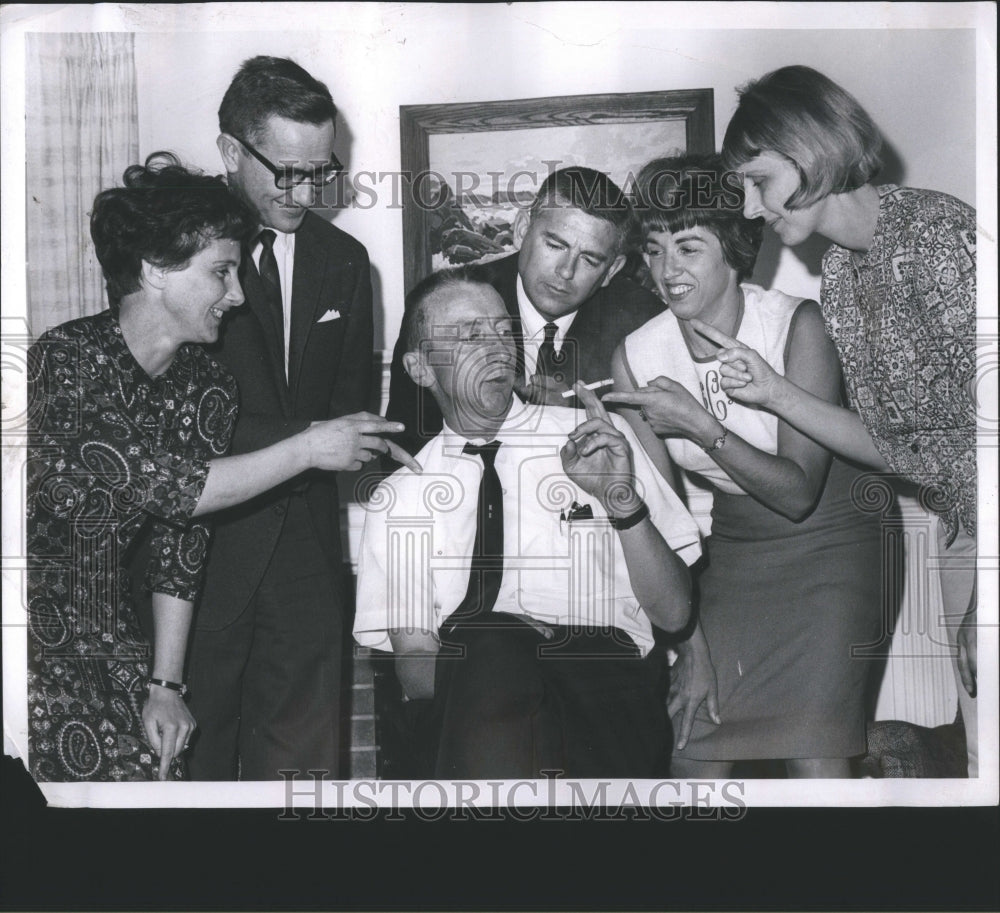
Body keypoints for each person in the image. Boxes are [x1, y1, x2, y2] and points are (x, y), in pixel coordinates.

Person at [27, 154, 407, 782]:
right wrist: (309, 446)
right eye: (222, 272)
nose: (236, 295)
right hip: (30, 627)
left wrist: (167, 683)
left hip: (113, 631)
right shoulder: (64, 362)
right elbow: (171, 487)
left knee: (161, 769)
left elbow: (182, 545)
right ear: (155, 270)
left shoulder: (205, 384)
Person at [718, 65, 979, 777]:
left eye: (757, 180)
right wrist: (776, 394)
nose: (747, 210)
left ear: (809, 148)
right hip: (964, 527)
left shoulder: (935, 234)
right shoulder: (841, 272)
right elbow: (888, 445)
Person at [354, 267, 702, 779]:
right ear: (420, 368)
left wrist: (620, 499)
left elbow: (674, 614)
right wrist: (506, 643)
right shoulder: (400, 497)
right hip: (474, 695)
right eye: (471, 335)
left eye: (502, 330)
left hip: (602, 693)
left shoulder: (594, 438)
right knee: (489, 643)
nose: (497, 348)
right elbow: (415, 668)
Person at [603, 154, 883, 778]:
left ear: (733, 249)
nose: (667, 271)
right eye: (653, 250)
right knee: (691, 752)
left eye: (688, 247)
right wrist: (690, 644)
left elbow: (797, 492)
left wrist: (704, 427)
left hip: (833, 544)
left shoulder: (795, 325)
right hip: (735, 549)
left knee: (815, 760)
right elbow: (665, 519)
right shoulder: (638, 355)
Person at [182, 56, 398, 781]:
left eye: (321, 170)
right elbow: (169, 427)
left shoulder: (346, 262)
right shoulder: (173, 251)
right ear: (230, 152)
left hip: (306, 562)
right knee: (190, 773)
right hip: (194, 559)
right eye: (286, 171)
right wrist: (308, 445)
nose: (305, 191)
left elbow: (348, 417)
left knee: (304, 784)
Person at [385, 166, 665, 457]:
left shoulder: (641, 320)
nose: (566, 272)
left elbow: (653, 465)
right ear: (521, 230)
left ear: (613, 270)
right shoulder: (446, 304)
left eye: (590, 260)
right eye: (555, 245)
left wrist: (573, 417)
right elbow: (408, 449)